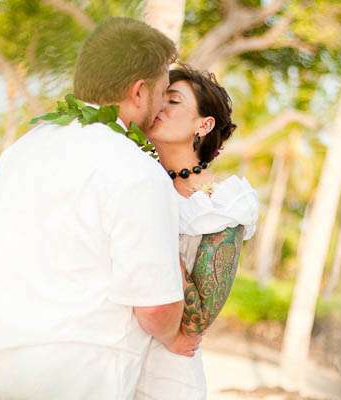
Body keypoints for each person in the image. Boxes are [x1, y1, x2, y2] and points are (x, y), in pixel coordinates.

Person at [0, 18, 200, 399]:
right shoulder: (137, 171)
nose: (161, 106)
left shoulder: (20, 151)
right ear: (139, 92)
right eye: (161, 93)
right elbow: (156, 307)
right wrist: (175, 335)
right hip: (75, 379)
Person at [135, 66, 259, 399]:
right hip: (108, 356)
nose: (160, 106)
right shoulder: (132, 177)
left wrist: (153, 225)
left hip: (167, 370)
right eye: (159, 97)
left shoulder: (222, 203)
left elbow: (196, 322)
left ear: (203, 125)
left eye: (173, 101)